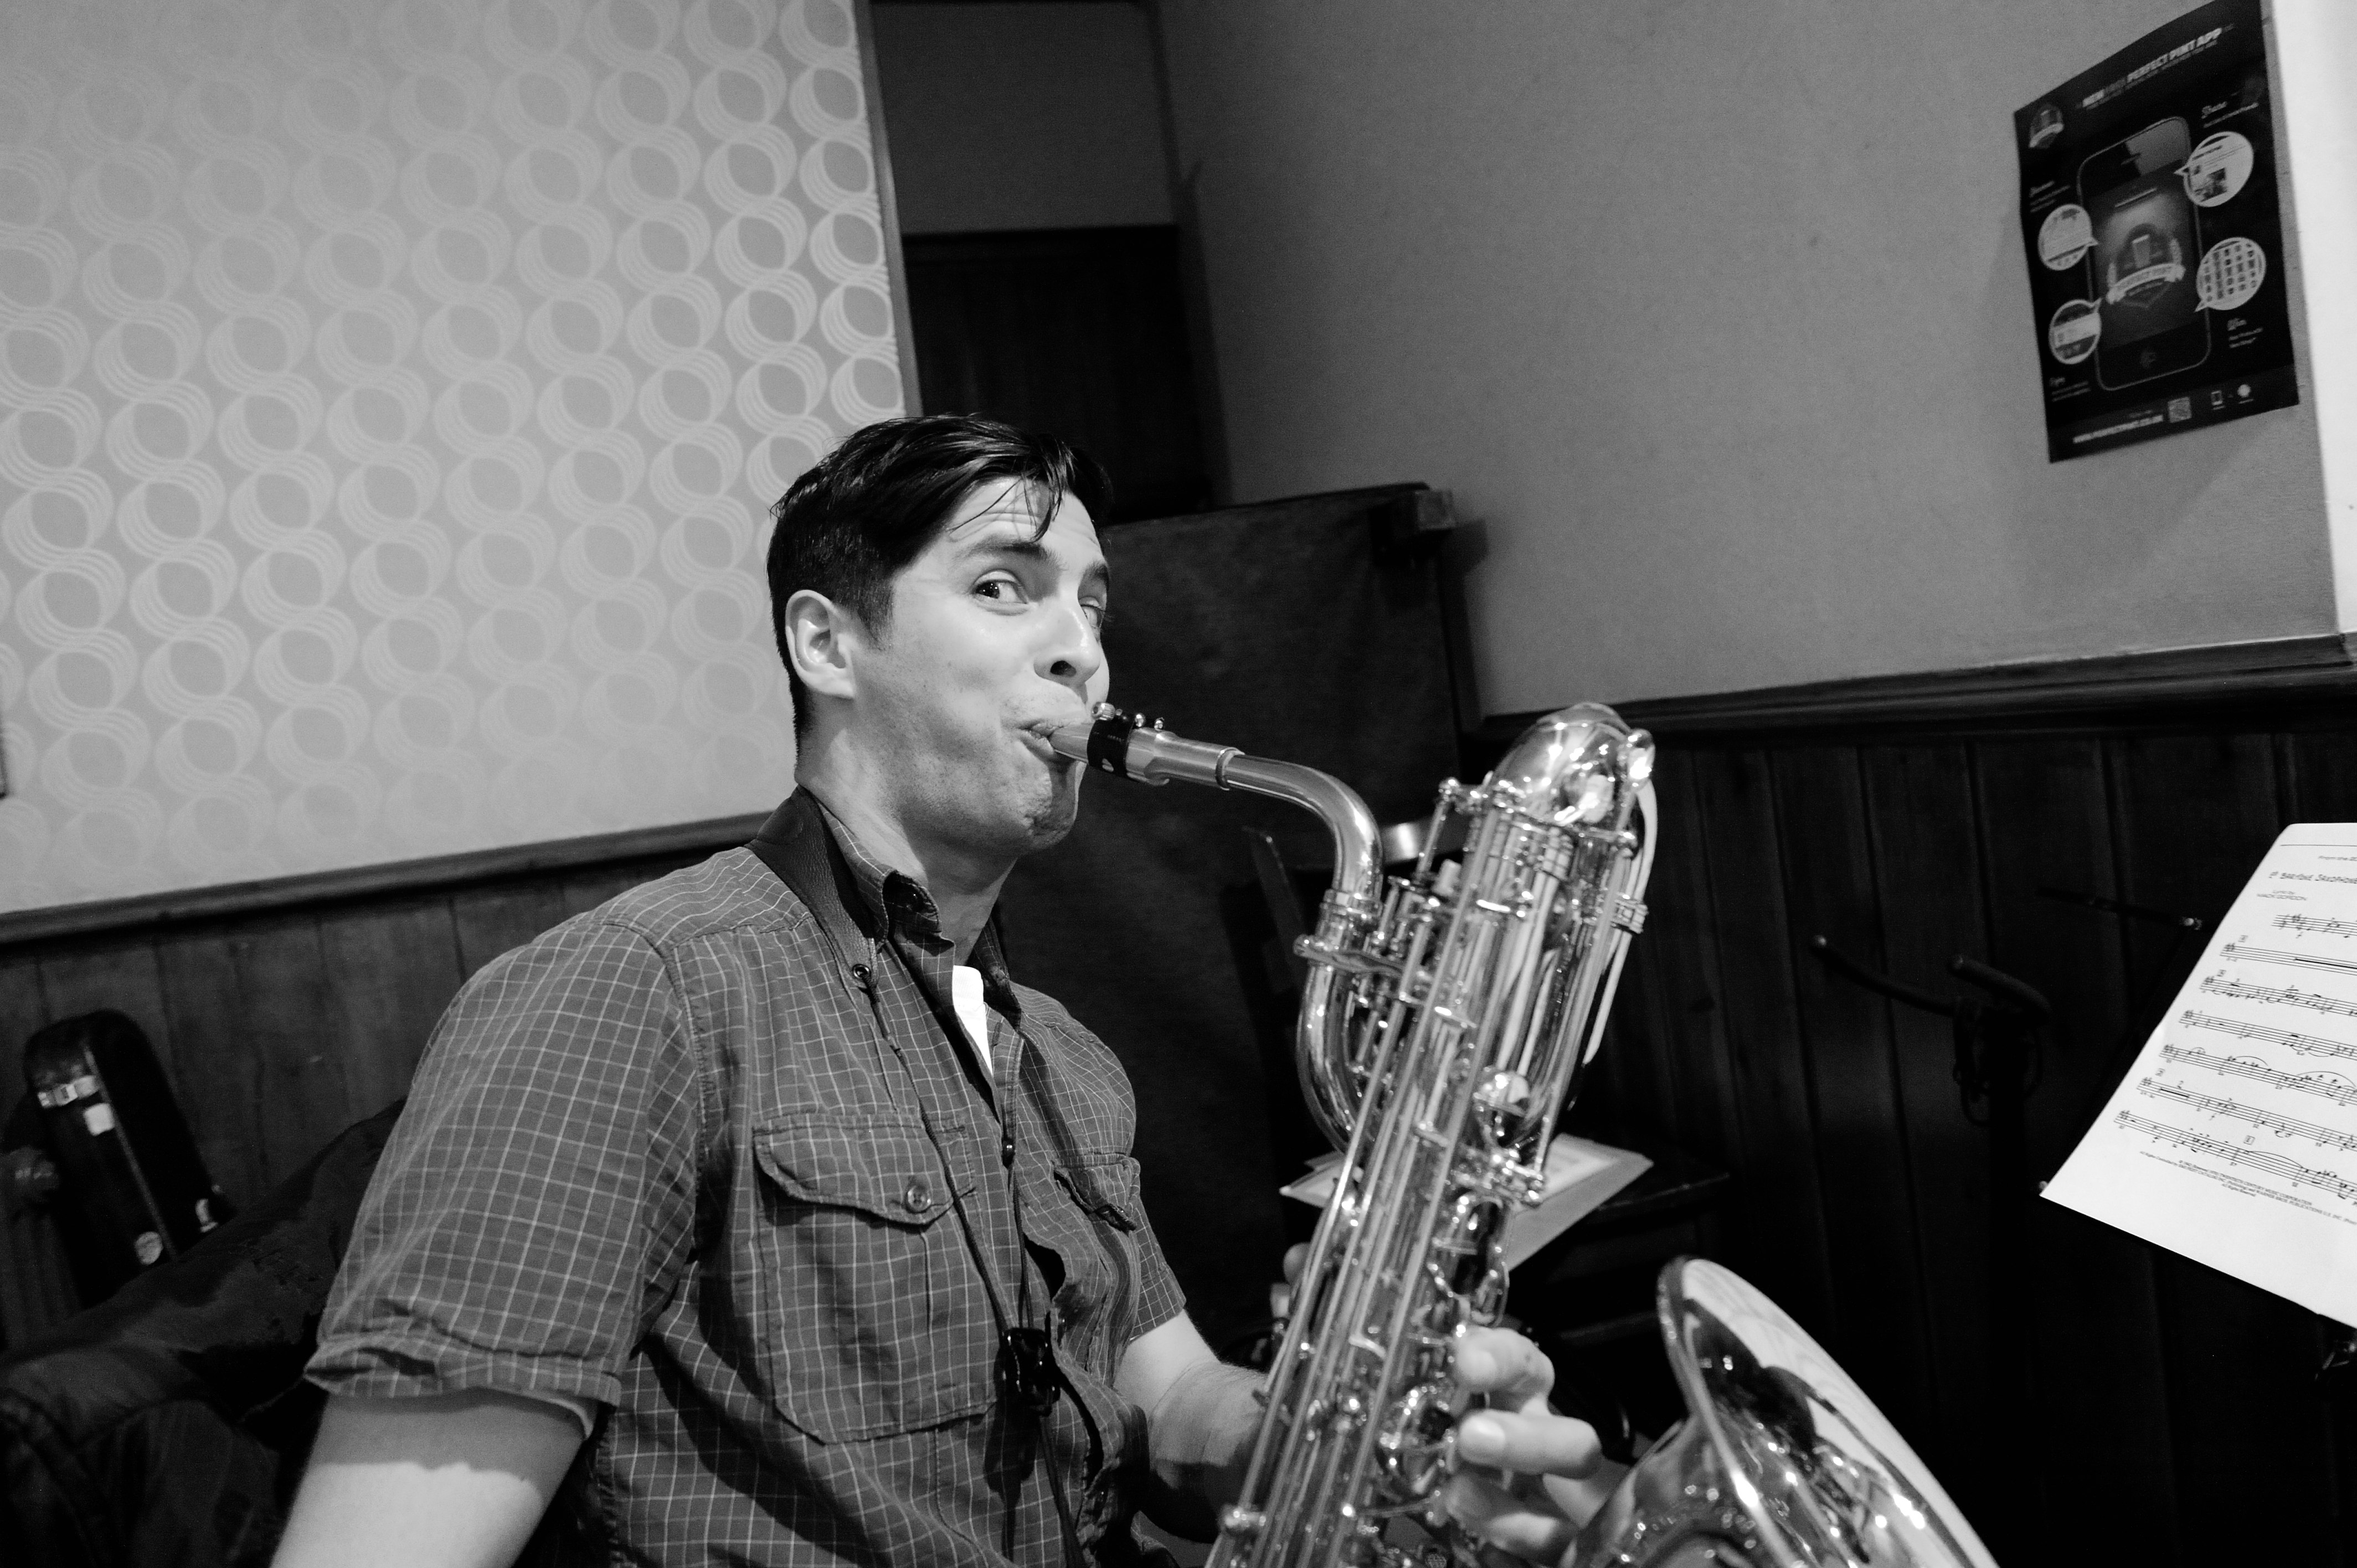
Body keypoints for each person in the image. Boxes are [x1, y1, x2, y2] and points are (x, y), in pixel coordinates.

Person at [274, 415, 1615, 1568]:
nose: (1082, 651)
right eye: (1002, 587)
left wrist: (1340, 1431)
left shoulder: (1066, 1060)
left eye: (1092, 605)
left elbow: (1172, 1404)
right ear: (826, 644)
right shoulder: (630, 994)